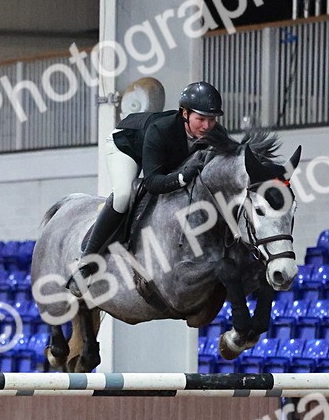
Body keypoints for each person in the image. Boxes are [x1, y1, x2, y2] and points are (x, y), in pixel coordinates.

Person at [67, 81, 226, 294]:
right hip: (127, 146)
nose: (207, 126)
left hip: (161, 156)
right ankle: (86, 262)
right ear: (185, 113)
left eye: (212, 119)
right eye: (201, 119)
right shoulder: (162, 130)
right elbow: (151, 182)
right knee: (123, 195)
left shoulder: (215, 133)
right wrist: (181, 177)